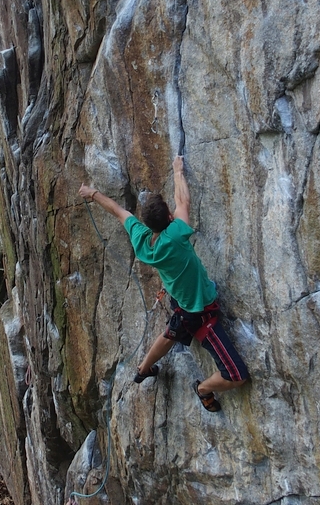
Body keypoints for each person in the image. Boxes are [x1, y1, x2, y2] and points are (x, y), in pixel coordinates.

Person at [79, 156, 248, 411]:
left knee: (171, 333)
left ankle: (143, 370)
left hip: (181, 302)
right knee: (236, 374)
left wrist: (92, 193)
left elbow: (118, 211)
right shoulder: (176, 235)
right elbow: (184, 201)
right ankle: (203, 389)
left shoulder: (143, 242)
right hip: (200, 314)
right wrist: (178, 171)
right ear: (170, 217)